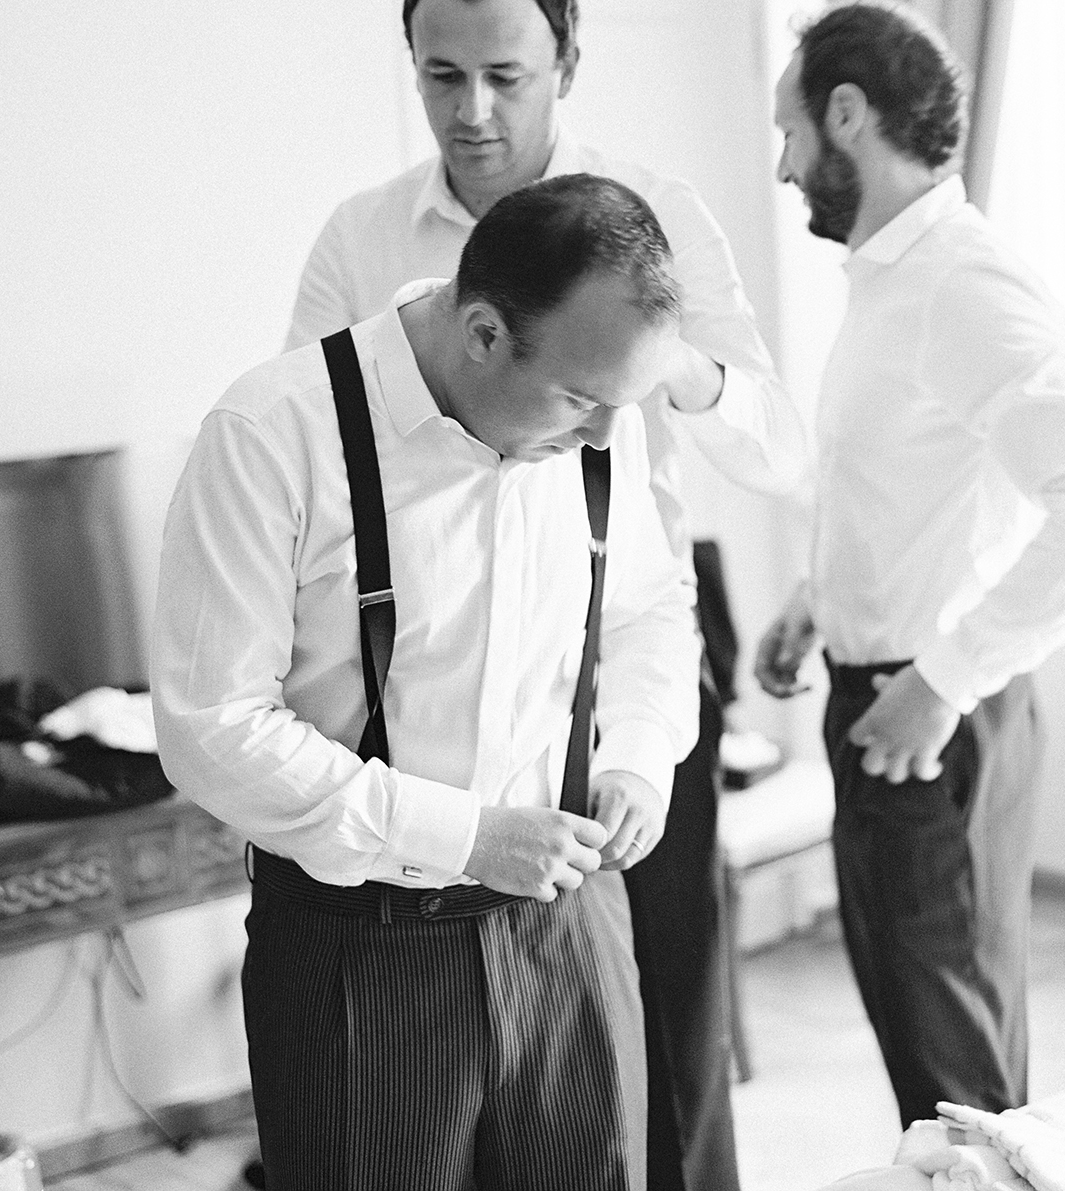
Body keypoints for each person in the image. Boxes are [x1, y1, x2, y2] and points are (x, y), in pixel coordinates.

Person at [283, 3, 806, 1186]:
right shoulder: (361, 238)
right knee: (432, 1078)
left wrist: (645, 355)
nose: (473, 112)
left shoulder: (660, 212)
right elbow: (310, 446)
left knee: (659, 1018)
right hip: (426, 671)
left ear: (568, 63)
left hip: (625, 646)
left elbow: (780, 451)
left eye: (506, 76)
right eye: (442, 76)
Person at [152, 174, 701, 1190]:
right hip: (360, 952)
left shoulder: (597, 416)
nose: (601, 438)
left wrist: (637, 755)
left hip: (571, 926)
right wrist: (464, 837)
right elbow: (211, 726)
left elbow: (649, 606)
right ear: (485, 333)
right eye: (582, 400)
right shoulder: (273, 433)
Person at [756, 3, 1065, 1129]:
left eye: (789, 135)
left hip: (932, 722)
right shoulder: (888, 280)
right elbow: (922, 494)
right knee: (932, 1064)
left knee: (956, 1083)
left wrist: (937, 682)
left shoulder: (965, 284)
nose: (785, 169)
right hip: (885, 698)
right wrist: (814, 600)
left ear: (848, 115)